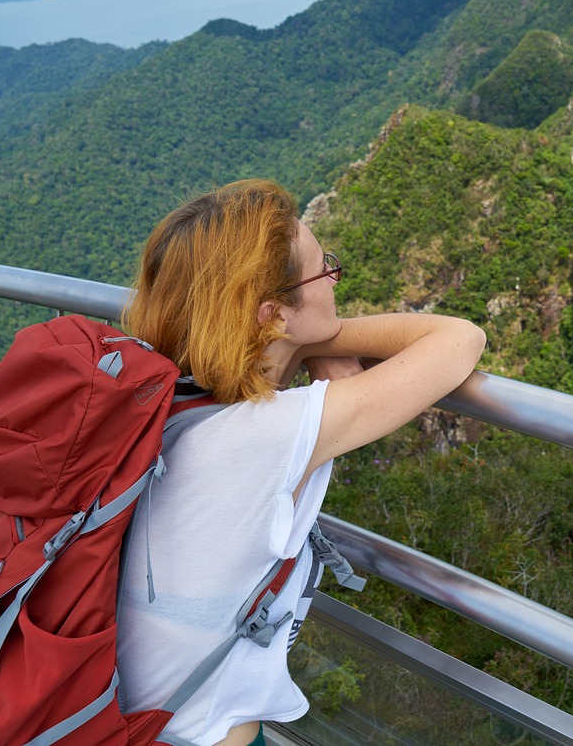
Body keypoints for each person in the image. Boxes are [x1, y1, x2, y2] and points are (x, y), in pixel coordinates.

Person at [115, 179, 486, 746]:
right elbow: (460, 339)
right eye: (323, 271)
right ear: (271, 315)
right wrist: (327, 339)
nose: (336, 278)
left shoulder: (160, 400)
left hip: (124, 718)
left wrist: (299, 340)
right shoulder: (263, 433)